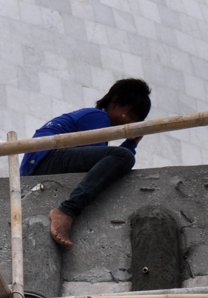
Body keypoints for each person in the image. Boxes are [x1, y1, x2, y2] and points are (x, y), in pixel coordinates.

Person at [21, 79, 152, 247]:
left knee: (122, 157)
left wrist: (132, 143)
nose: (131, 124)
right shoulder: (98, 116)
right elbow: (105, 164)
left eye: (136, 121)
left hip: (41, 163)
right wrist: (130, 146)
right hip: (45, 158)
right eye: (131, 116)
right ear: (115, 102)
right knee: (123, 156)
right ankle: (67, 211)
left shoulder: (97, 119)